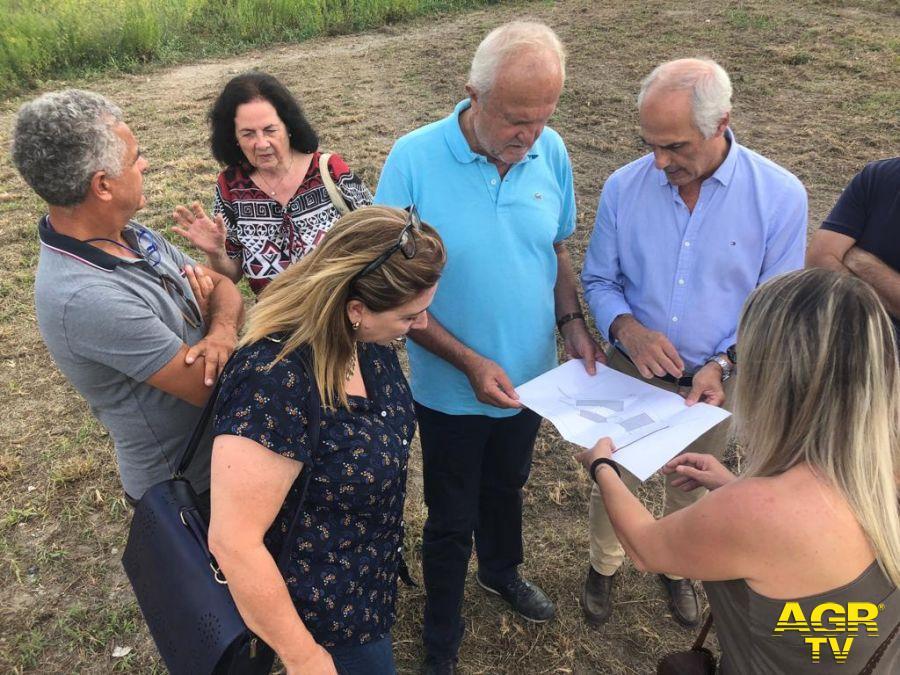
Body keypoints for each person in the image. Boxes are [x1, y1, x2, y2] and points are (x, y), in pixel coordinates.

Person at [374, 21, 604, 674]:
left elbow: (554, 248)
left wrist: (573, 324)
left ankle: (501, 570)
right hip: (449, 389)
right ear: (472, 93)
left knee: (508, 484)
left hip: (532, 381)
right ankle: (442, 635)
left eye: (541, 117)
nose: (527, 134)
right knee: (449, 515)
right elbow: (390, 289)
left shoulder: (550, 150)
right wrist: (470, 360)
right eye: (514, 118)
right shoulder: (414, 158)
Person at [575, 268, 900, 673]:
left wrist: (603, 463)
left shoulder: (759, 511)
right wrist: (734, 486)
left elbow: (646, 548)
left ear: (775, 377)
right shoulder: (879, 476)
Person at [581, 57, 807, 627]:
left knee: (692, 477)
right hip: (630, 370)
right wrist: (626, 329)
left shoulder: (780, 197)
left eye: (675, 146)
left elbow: (774, 307)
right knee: (616, 474)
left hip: (715, 385)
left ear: (721, 123)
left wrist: (725, 364)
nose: (659, 162)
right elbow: (600, 279)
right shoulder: (622, 187)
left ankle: (679, 567)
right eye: (650, 144)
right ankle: (604, 566)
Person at [207, 206, 446, 675]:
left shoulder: (367, 346)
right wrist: (305, 657)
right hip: (317, 610)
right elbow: (234, 542)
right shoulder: (274, 383)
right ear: (356, 309)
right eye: (409, 316)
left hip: (361, 580)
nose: (420, 326)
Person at [11, 89, 244, 504]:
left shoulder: (128, 234)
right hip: (192, 488)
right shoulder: (85, 296)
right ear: (102, 186)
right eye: (135, 157)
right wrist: (215, 318)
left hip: (225, 455)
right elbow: (211, 387)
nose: (145, 164)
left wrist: (221, 329)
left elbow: (225, 287)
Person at [172, 71, 373, 295]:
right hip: (275, 324)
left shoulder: (329, 170)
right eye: (248, 134)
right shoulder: (232, 187)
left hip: (344, 319)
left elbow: (379, 236)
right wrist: (217, 253)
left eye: (270, 130)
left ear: (288, 127)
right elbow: (232, 274)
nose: (261, 143)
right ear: (234, 138)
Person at [806, 157, 900, 337]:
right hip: (847, 340)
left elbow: (830, 257)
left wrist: (859, 261)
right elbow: (818, 261)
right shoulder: (878, 176)